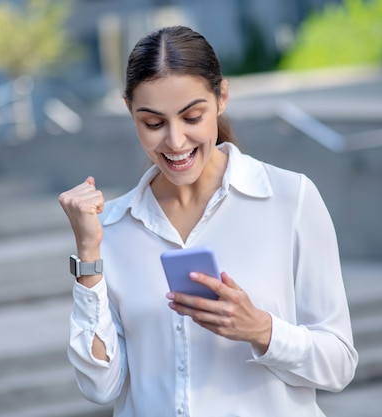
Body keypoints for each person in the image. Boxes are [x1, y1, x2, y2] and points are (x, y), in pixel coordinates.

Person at [58, 25, 358, 417]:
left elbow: (339, 365)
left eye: (192, 117)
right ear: (130, 110)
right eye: (153, 123)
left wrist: (261, 329)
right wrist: (88, 256)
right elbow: (100, 386)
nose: (176, 141)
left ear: (222, 98)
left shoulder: (290, 199)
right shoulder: (111, 228)